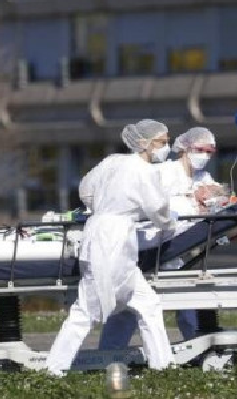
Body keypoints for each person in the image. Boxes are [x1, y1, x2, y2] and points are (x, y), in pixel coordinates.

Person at [45, 119, 179, 376]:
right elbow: (157, 208)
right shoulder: (145, 171)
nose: (166, 147)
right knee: (86, 310)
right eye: (162, 142)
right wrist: (169, 225)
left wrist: (103, 207)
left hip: (98, 232)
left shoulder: (111, 162)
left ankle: (163, 367)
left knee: (148, 304)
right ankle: (53, 370)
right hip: (113, 241)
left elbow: (85, 189)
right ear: (145, 143)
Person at [97, 127, 225, 350]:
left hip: (178, 250)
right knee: (128, 306)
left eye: (209, 152)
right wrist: (190, 201)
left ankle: (197, 347)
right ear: (185, 148)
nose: (205, 155)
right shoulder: (164, 172)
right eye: (200, 150)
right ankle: (108, 352)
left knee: (189, 301)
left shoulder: (203, 178)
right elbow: (150, 204)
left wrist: (212, 197)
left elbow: (219, 197)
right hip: (150, 245)